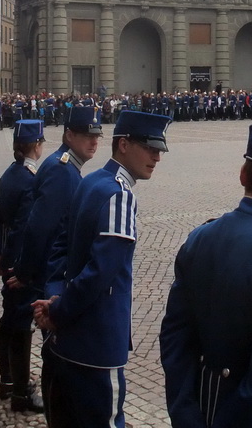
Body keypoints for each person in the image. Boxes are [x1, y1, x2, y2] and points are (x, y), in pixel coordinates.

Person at [160, 124, 252, 428]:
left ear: (243, 175)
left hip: (200, 407)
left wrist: (185, 412)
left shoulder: (199, 238)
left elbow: (174, 338)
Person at [33, 110, 172, 428]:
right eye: (150, 148)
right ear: (123, 144)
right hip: (96, 343)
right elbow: (101, 272)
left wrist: (55, 297)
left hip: (65, 341)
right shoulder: (119, 195)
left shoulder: (91, 181)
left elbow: (59, 251)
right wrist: (59, 311)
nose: (156, 157)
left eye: (159, 150)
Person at [0, 119, 45, 413]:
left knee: (9, 318)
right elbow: (25, 229)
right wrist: (19, 268)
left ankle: (7, 381)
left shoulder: (10, 175)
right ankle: (21, 392)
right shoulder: (32, 179)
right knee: (21, 322)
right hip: (20, 264)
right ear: (37, 145)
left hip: (7, 260)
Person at [13, 105, 102, 292]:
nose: (94, 142)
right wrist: (25, 272)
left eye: (96, 137)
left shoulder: (65, 166)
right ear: (69, 136)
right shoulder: (61, 171)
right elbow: (41, 227)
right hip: (46, 275)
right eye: (87, 136)